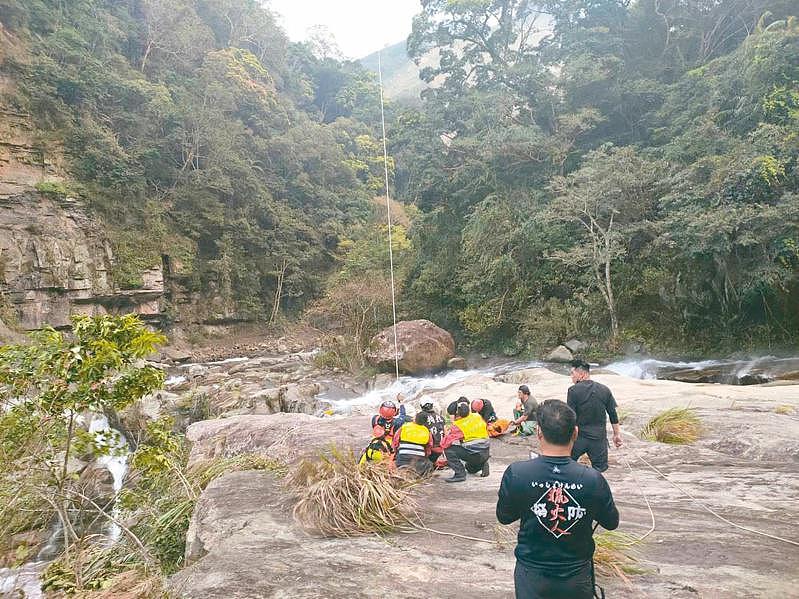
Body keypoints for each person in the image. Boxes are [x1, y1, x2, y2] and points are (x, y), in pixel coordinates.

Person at [496, 400, 619, 599]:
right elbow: (611, 522)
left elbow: (504, 517)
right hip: (576, 575)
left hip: (531, 575)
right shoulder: (592, 479)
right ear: (575, 433)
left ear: (538, 432)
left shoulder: (517, 473)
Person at [567, 360, 622, 472]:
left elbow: (570, 417)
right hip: (598, 439)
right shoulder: (604, 389)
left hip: (579, 438)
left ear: (581, 374)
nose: (571, 377)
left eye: (572, 373)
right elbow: (613, 414)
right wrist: (616, 435)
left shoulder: (573, 391)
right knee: (600, 471)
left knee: (568, 465)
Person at [440, 402, 490, 482]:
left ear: (458, 414)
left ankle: (460, 475)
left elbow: (444, 444)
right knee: (469, 469)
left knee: (449, 450)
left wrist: (446, 433)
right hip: (485, 452)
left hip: (475, 454)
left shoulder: (458, 426)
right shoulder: (477, 416)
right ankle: (482, 464)